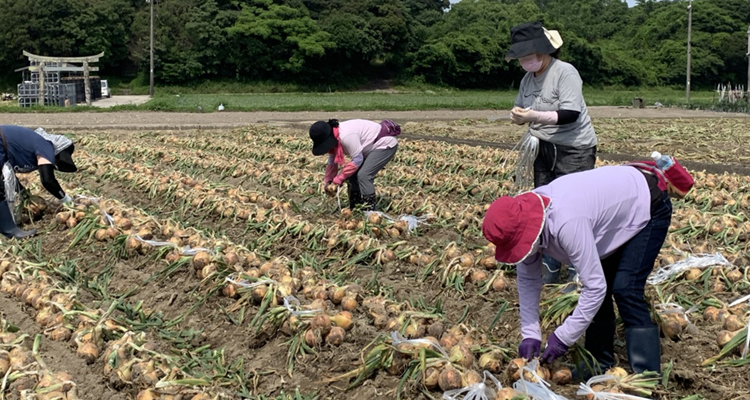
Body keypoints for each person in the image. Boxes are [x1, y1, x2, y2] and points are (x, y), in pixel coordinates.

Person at [481, 162, 692, 374]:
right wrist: (530, 333)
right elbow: (528, 280)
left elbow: (595, 287)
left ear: (530, 231)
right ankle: (598, 362)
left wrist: (564, 337)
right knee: (603, 285)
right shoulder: (524, 216)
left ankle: (647, 374)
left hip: (647, 202)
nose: (522, 251)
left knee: (626, 288)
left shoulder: (566, 222)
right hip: (608, 216)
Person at [505, 21, 598, 285]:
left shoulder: (565, 72)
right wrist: (520, 116)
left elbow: (571, 114)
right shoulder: (527, 78)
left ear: (544, 51)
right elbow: (522, 105)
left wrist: (535, 115)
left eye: (528, 55)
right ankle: (552, 263)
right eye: (521, 57)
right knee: (544, 206)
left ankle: (580, 268)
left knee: (574, 209)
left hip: (574, 149)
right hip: (543, 148)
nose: (525, 60)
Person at [0, 125, 78, 239]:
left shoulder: (39, 143)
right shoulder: (46, 146)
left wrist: (23, 192)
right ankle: (10, 231)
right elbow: (47, 180)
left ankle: (8, 229)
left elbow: (10, 175)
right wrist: (66, 200)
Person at [309, 119, 399, 211]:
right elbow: (332, 162)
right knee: (352, 175)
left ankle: (370, 209)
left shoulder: (346, 136)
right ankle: (356, 206)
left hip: (384, 144)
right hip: (369, 147)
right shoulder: (335, 138)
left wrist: (338, 179)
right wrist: (328, 181)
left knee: (364, 175)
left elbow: (358, 160)